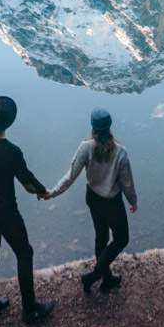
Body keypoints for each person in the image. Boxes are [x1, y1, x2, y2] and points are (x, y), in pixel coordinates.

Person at [0, 96, 55, 324]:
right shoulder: (11, 152)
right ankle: (30, 310)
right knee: (25, 253)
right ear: (8, 123)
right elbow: (27, 182)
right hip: (7, 213)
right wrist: (43, 192)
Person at [45, 108, 137, 293]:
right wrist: (133, 201)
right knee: (121, 239)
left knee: (101, 237)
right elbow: (127, 183)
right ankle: (95, 276)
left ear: (93, 128)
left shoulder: (85, 147)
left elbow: (70, 176)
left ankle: (107, 279)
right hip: (112, 203)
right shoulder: (121, 153)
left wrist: (53, 192)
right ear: (110, 127)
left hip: (93, 199)